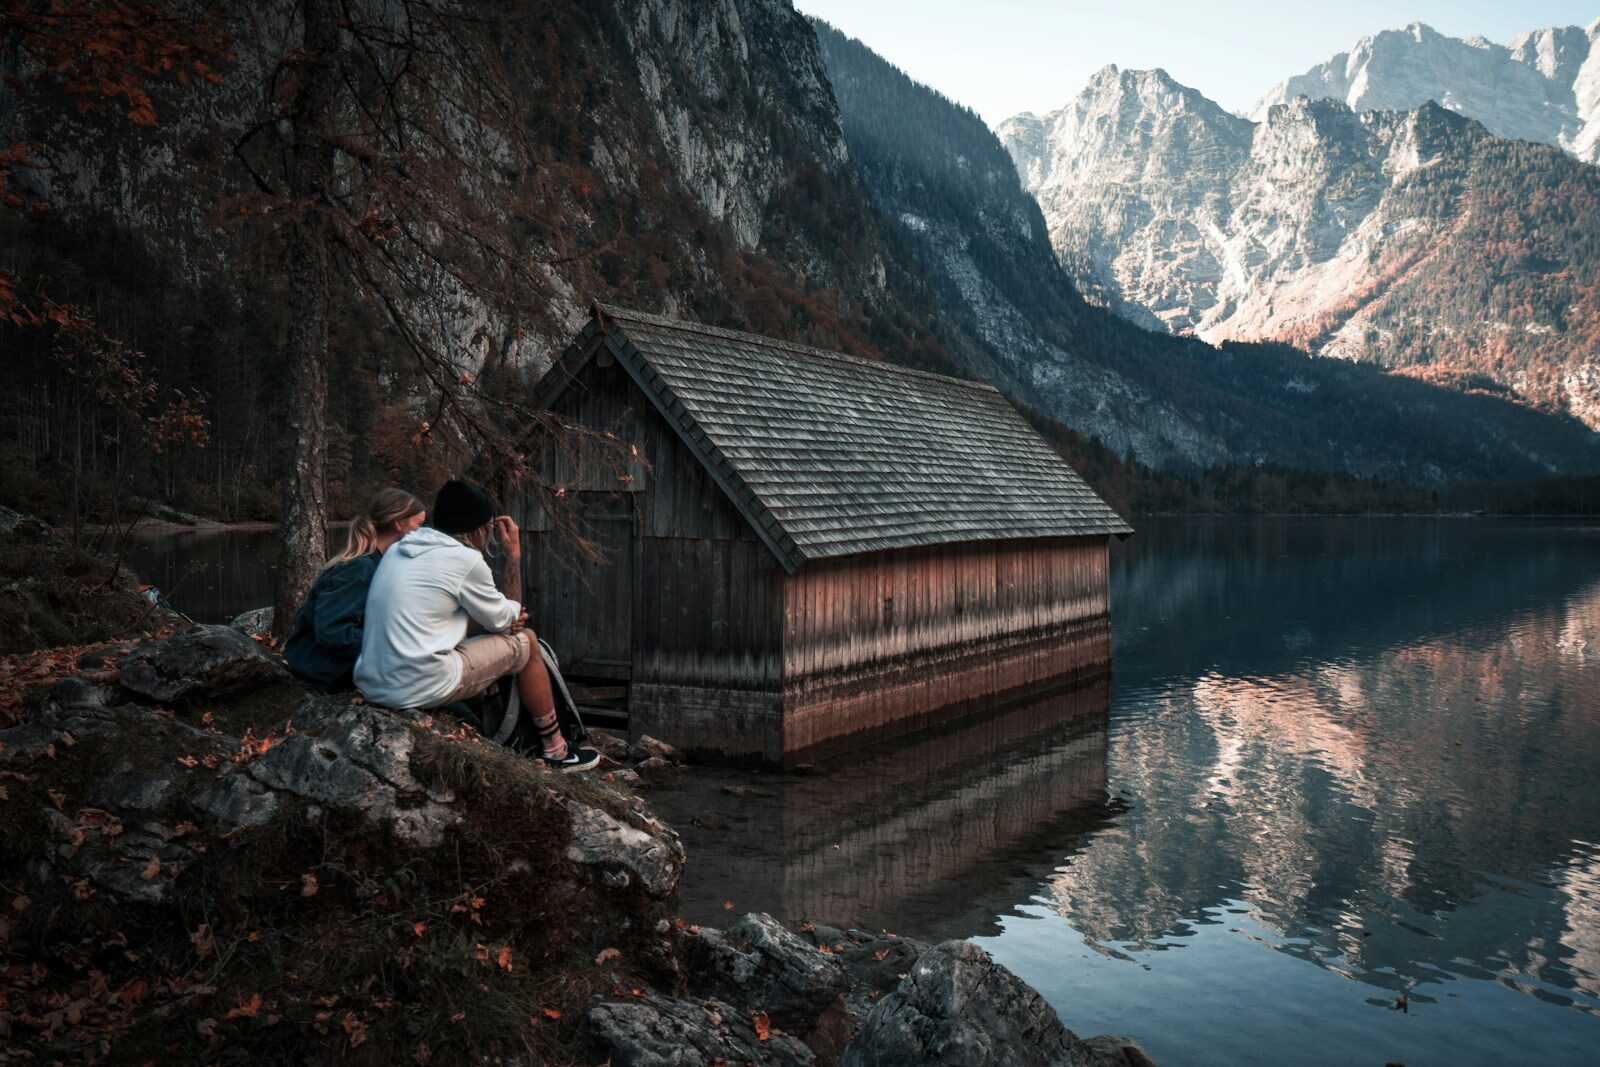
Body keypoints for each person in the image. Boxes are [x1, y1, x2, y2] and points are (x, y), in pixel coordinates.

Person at [354, 478, 600, 771]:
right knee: (529, 642)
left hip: (372, 683)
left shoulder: (399, 549)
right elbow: (509, 625)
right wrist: (513, 556)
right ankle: (556, 750)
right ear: (480, 527)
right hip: (417, 685)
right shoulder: (465, 559)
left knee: (476, 629)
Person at [283, 488, 425, 693]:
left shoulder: (376, 563)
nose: (422, 532)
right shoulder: (358, 569)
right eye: (419, 525)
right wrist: (390, 646)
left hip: (337, 666)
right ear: (399, 524)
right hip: (327, 672)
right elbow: (333, 632)